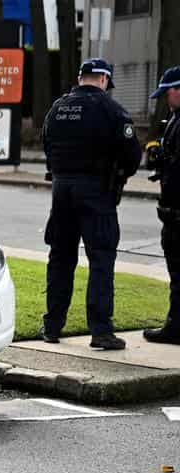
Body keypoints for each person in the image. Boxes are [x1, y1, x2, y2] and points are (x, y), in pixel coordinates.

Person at [40, 58, 142, 350]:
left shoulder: (57, 109)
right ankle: (100, 331)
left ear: (80, 77)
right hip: (96, 191)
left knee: (60, 258)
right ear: (103, 80)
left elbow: (47, 144)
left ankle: (52, 326)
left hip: (61, 190)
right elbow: (132, 155)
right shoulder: (111, 110)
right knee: (100, 259)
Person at [143, 66, 180, 344]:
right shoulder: (175, 118)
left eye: (168, 93)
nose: (166, 99)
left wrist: (162, 160)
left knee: (177, 270)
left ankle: (175, 326)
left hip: (178, 212)